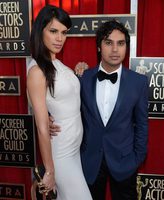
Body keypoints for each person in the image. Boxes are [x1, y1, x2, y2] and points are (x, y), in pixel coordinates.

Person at [51, 20, 149, 200]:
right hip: (89, 161)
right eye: (108, 42)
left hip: (124, 161)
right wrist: (49, 119)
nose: (115, 49)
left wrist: (136, 159)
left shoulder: (139, 83)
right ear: (98, 47)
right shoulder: (82, 79)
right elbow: (66, 108)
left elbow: (142, 125)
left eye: (120, 43)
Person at [27, 5, 92, 200]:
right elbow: (42, 127)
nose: (59, 38)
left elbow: (62, 96)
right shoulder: (37, 71)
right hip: (60, 155)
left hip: (74, 151)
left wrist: (79, 73)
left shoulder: (56, 62)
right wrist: (49, 171)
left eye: (64, 32)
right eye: (53, 31)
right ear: (41, 31)